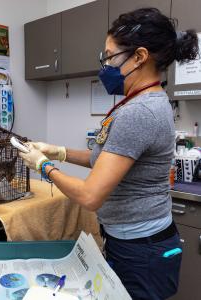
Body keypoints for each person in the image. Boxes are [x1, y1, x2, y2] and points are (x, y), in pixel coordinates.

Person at [19, 8, 199, 300]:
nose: (106, 64)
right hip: (133, 241)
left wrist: (44, 166)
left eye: (110, 55)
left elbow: (91, 196)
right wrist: (60, 152)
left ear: (139, 57)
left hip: (140, 250)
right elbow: (102, 161)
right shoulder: (144, 102)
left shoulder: (139, 112)